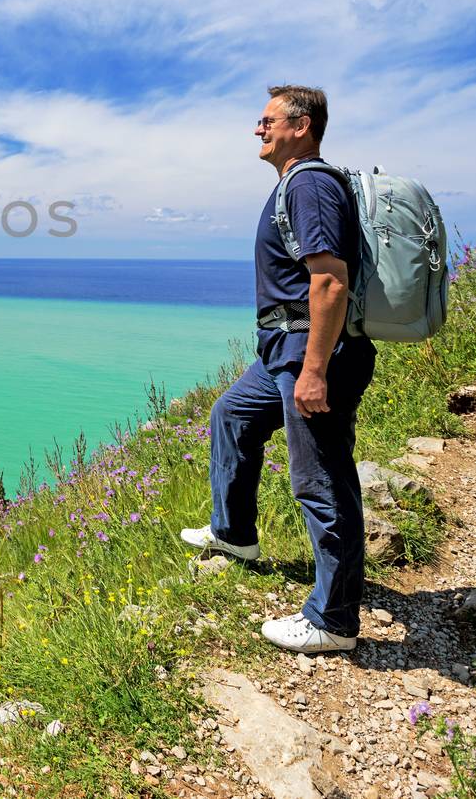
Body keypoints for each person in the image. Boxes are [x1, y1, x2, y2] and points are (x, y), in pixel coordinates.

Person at [180, 85, 377, 652]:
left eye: (267, 120)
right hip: (284, 353)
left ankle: (332, 620)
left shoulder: (310, 184)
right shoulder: (295, 185)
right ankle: (235, 534)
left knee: (320, 479)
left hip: (311, 355)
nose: (257, 129)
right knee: (232, 415)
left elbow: (329, 280)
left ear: (302, 125)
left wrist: (314, 370)